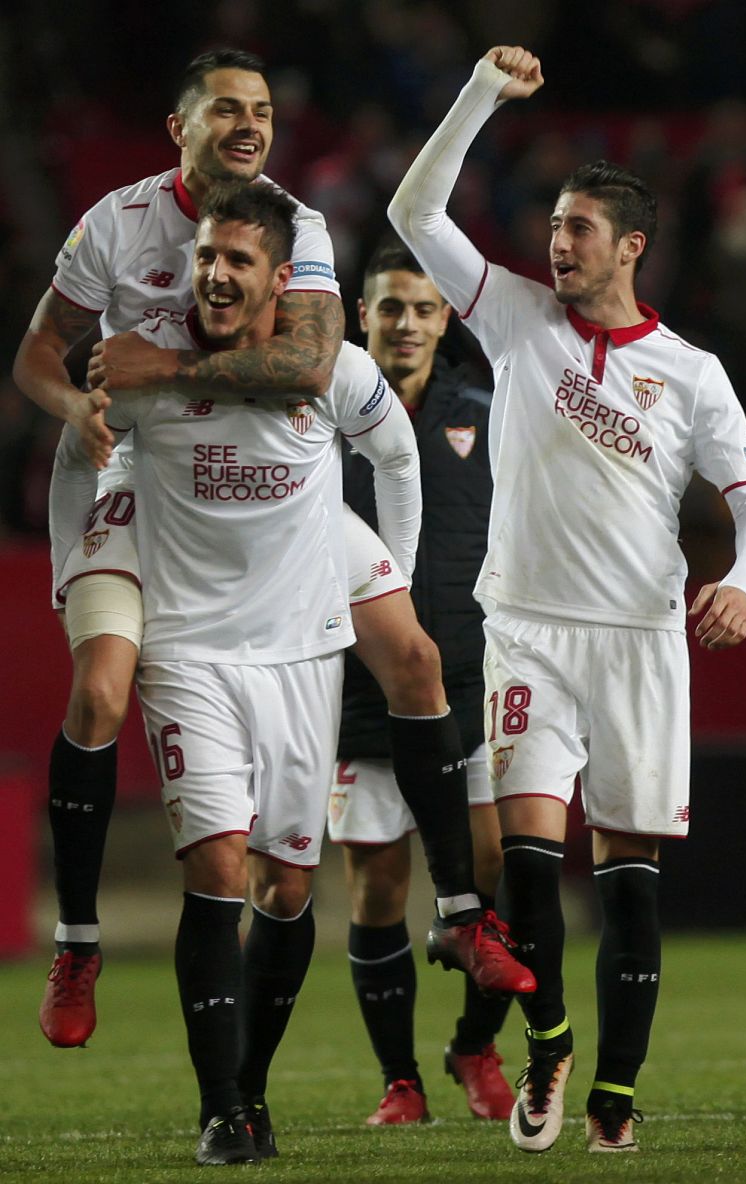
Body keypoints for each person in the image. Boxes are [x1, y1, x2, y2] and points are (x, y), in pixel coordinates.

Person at [15, 49, 527, 1049]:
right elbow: (41, 347)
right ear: (180, 128)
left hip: (278, 490)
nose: (250, 126)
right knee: (101, 693)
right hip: (139, 477)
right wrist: (77, 403)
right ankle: (77, 940)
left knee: (416, 656)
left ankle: (464, 912)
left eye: (261, 110)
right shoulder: (114, 227)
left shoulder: (294, 222)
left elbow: (304, 361)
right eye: (226, 111)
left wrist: (160, 361)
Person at [389, 47, 746, 1153]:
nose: (558, 244)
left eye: (580, 230)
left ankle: (614, 1090)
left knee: (634, 890)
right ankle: (548, 1042)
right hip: (528, 632)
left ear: (631, 247)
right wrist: (476, 94)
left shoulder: (691, 372)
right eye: (554, 225)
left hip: (643, 641)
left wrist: (744, 580)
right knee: (523, 865)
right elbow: (414, 208)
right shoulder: (512, 317)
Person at [51, 183, 423, 1163]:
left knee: (290, 889)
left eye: (239, 262)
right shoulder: (135, 358)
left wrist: (394, 572)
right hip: (187, 648)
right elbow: (73, 448)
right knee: (216, 863)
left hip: (300, 649)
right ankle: (221, 1105)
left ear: (278, 284)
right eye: (208, 256)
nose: (216, 274)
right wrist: (72, 569)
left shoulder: (323, 365)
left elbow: (395, 447)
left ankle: (252, 1085)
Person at [328, 243, 513, 1125]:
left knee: (495, 875)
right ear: (361, 316)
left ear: (447, 320)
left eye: (423, 309)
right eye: (389, 308)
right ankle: (398, 1081)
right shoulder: (320, 421)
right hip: (359, 696)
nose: (405, 323)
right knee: (377, 889)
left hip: (473, 691)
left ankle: (473, 1047)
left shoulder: (487, 411)